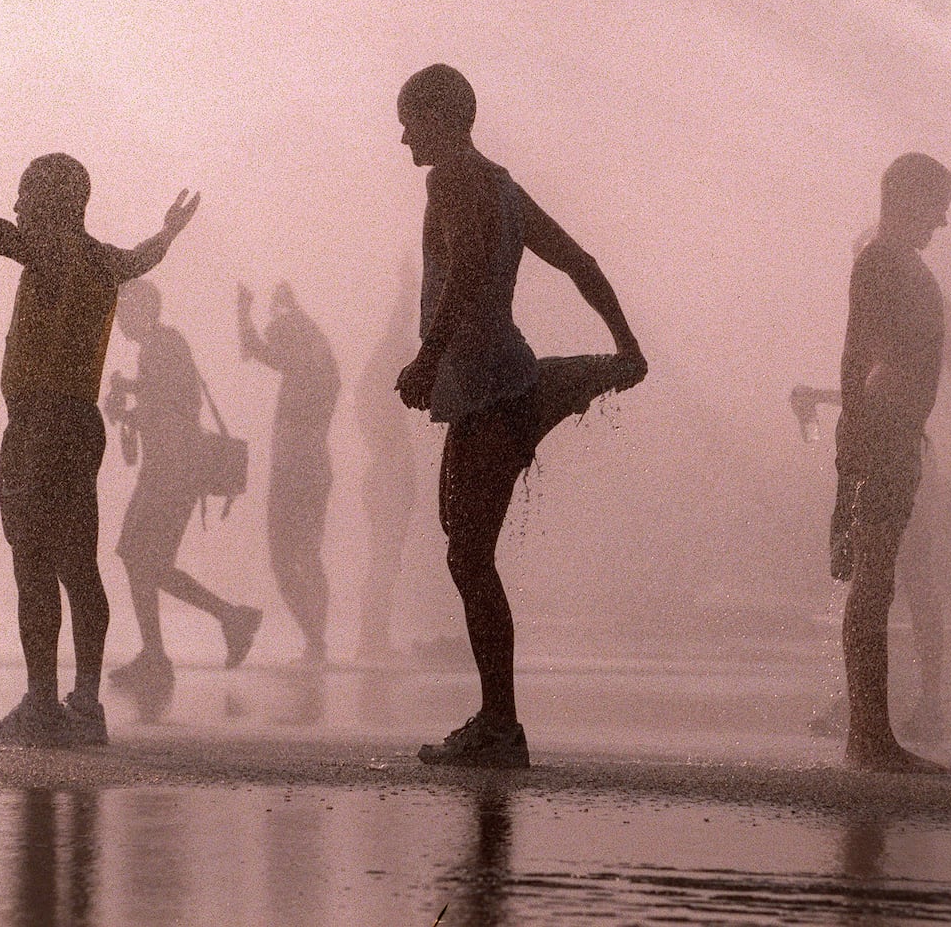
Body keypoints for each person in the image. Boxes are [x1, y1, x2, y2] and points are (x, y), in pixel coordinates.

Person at [395, 64, 647, 768]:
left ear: (444, 121)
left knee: (467, 553)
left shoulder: (450, 179)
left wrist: (425, 359)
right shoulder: (501, 185)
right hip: (506, 380)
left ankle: (500, 726)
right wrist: (629, 342)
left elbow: (471, 271)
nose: (403, 136)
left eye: (411, 120)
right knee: (463, 541)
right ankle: (586, 372)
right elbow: (579, 261)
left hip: (487, 387)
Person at [0, 154, 200, 747]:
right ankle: (87, 705)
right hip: (79, 425)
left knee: (32, 563)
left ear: (53, 204)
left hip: (37, 426)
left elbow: (2, 237)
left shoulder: (52, 252)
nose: (19, 207)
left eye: (26, 195)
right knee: (78, 563)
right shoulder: (104, 261)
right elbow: (144, 256)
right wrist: (169, 231)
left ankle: (42, 703)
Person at [795, 293, 951, 743]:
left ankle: (914, 702)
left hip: (905, 456)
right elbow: (880, 391)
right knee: (885, 577)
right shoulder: (904, 315)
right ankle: (875, 700)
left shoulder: (920, 312)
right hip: (893, 454)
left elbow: (886, 393)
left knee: (898, 577)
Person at [830, 152, 951, 774]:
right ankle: (869, 736)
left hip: (891, 436)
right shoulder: (883, 261)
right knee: (873, 584)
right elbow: (868, 353)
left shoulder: (897, 262)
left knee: (877, 582)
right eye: (935, 208)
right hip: (882, 438)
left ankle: (870, 734)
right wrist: (863, 443)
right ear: (908, 201)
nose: (942, 223)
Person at [103, 278, 263, 715]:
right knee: (143, 561)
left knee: (139, 558)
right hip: (172, 471)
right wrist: (133, 392)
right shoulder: (163, 344)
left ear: (142, 311)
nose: (118, 320)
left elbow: (171, 406)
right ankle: (181, 642)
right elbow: (172, 394)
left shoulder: (160, 345)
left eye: (123, 312)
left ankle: (214, 627)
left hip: (170, 473)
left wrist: (128, 410)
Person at [237, 280, 339, 664]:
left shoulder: (308, 372)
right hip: (305, 468)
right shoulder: (317, 369)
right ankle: (316, 640)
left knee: (292, 556)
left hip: (297, 470)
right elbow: (263, 352)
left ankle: (316, 640)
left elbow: (258, 351)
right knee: (301, 556)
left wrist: (247, 314)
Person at [354, 259, 421, 664]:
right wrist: (407, 286)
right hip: (389, 476)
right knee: (385, 558)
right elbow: (397, 330)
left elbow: (396, 332)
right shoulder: (385, 375)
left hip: (384, 473)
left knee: (385, 558)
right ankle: (372, 639)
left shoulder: (375, 387)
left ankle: (372, 636)